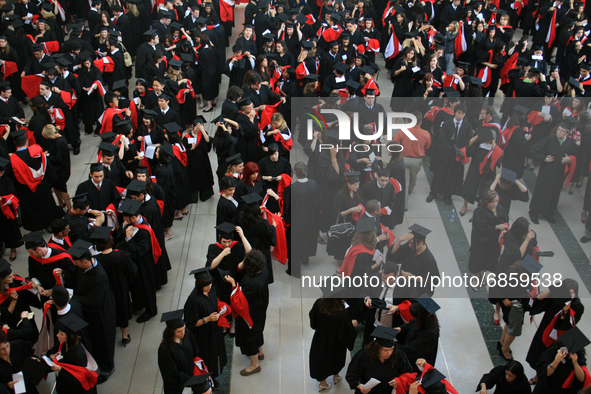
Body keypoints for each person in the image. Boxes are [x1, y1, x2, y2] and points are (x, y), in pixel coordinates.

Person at [59, 240, 116, 384]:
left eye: (77, 263)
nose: (75, 265)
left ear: (85, 261)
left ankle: (107, 368)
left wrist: (71, 295)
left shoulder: (98, 277)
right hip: (91, 312)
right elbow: (76, 276)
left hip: (100, 314)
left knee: (103, 341)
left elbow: (92, 302)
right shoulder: (85, 267)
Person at [526, 279, 584, 384]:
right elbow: (539, 299)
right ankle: (538, 374)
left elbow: (568, 323)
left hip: (562, 336)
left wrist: (567, 307)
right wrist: (551, 289)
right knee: (539, 352)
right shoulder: (557, 298)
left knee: (555, 357)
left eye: (571, 293)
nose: (568, 295)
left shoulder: (578, 306)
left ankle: (545, 376)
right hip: (546, 330)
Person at [224, 250, 270, 376]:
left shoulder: (251, 283)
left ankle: (255, 364)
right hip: (260, 308)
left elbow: (240, 300)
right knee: (257, 329)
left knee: (248, 336)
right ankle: (260, 352)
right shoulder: (264, 270)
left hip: (249, 313)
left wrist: (233, 284)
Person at [90, 227, 137, 346]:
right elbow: (132, 270)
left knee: (110, 310)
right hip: (121, 287)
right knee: (123, 309)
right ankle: (124, 335)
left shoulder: (96, 261)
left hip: (106, 290)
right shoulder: (121, 255)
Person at [8, 130, 63, 231]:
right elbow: (49, 170)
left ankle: (36, 228)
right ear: (26, 142)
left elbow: (12, 179)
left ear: (15, 143)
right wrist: (51, 181)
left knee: (31, 208)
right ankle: (49, 224)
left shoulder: (13, 160)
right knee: (46, 204)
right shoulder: (37, 153)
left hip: (26, 191)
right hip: (42, 186)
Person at [115, 199, 159, 323]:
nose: (124, 220)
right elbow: (119, 239)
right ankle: (138, 304)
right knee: (136, 286)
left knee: (146, 287)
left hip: (144, 264)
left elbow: (140, 252)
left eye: (126, 218)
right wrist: (123, 229)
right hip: (133, 263)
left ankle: (151, 310)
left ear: (133, 218)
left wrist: (129, 239)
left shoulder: (145, 231)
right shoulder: (129, 224)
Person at [183, 267, 229, 385]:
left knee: (217, 353)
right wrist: (207, 319)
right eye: (206, 285)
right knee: (207, 357)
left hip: (215, 330)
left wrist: (220, 309)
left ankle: (213, 376)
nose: (209, 287)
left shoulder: (212, 289)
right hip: (203, 335)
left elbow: (215, 303)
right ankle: (207, 379)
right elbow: (190, 323)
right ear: (199, 285)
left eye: (210, 283)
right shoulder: (193, 300)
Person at [309, 285, 358, 392]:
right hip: (337, 343)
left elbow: (313, 322)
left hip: (320, 339)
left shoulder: (319, 304)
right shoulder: (342, 312)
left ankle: (323, 384)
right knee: (336, 358)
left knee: (321, 359)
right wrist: (353, 325)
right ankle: (336, 376)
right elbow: (346, 331)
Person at [529, 122, 579, 224]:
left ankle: (548, 213)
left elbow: (576, 155)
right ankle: (534, 212)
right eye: (559, 129)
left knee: (554, 193)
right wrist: (543, 158)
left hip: (559, 173)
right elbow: (533, 150)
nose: (559, 132)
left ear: (567, 133)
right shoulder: (549, 140)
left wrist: (569, 159)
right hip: (546, 171)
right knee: (541, 191)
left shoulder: (570, 143)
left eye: (562, 131)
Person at [158, 310, 213, 394]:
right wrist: (190, 380)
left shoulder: (187, 334)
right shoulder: (165, 349)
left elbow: (195, 350)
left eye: (184, 329)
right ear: (171, 332)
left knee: (207, 389)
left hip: (192, 372)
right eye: (179, 331)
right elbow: (171, 372)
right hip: (178, 381)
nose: (183, 333)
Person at [345, 326, 413, 394]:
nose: (389, 353)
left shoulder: (399, 355)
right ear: (377, 348)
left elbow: (409, 373)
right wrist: (360, 386)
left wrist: (400, 381)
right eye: (385, 350)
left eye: (392, 349)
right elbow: (352, 374)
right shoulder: (364, 355)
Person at [427, 104, 472, 206]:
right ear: (455, 113)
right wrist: (450, 148)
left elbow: (468, 140)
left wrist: (461, 150)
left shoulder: (467, 126)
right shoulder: (447, 124)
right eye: (459, 113)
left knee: (452, 175)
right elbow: (441, 138)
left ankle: (448, 195)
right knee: (440, 173)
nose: (461, 115)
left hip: (457, 154)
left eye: (463, 113)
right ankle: (433, 192)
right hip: (446, 152)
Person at [45, 313, 99, 394]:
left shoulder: (78, 355)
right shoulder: (63, 343)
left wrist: (61, 370)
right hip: (64, 383)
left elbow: (79, 379)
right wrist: (52, 356)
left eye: (61, 334)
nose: (57, 335)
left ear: (70, 336)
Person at [468, 190, 508, 291]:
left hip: (494, 240)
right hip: (481, 239)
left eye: (497, 201)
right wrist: (496, 227)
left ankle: (484, 273)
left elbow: (505, 220)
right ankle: (475, 277)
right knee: (478, 258)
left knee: (489, 257)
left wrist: (504, 228)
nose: (496, 204)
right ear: (486, 202)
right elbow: (481, 229)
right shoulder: (479, 212)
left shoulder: (500, 209)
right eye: (493, 201)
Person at [287, 162, 321, 277]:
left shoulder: (293, 188)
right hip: (312, 218)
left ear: (295, 173)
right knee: (308, 237)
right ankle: (305, 257)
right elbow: (318, 201)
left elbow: (288, 206)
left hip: (298, 219)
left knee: (296, 241)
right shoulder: (314, 184)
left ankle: (296, 267)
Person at [387, 224, 439, 297]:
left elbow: (434, 281)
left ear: (421, 243)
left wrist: (412, 277)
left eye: (412, 243)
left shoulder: (429, 260)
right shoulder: (410, 248)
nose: (409, 245)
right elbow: (393, 254)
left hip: (417, 291)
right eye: (409, 242)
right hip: (403, 286)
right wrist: (400, 240)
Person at [393, 111, 431, 209]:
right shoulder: (426, 134)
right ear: (421, 122)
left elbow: (395, 143)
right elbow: (428, 146)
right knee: (413, 178)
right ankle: (410, 188)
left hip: (404, 159)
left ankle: (404, 205)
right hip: (417, 161)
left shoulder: (403, 131)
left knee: (405, 181)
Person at [239, 193, 277, 284]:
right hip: (261, 249)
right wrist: (274, 226)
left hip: (248, 247)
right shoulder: (262, 223)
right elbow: (270, 237)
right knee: (262, 266)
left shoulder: (241, 217)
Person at [395, 298, 440, 370]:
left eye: (416, 317)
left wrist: (392, 345)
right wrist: (400, 329)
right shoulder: (425, 321)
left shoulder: (429, 335)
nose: (414, 319)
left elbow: (410, 350)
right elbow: (411, 324)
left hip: (416, 364)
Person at [184, 115, 215, 203]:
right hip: (192, 162)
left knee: (204, 177)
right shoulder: (186, 137)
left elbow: (208, 142)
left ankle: (205, 195)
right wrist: (191, 149)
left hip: (203, 160)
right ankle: (193, 197)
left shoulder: (203, 134)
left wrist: (202, 131)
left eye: (199, 127)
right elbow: (183, 151)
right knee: (194, 179)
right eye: (196, 127)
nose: (197, 129)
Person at [0, 157, 21, 262]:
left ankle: (13, 249)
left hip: (7, 209)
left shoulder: (7, 180)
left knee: (11, 230)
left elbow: (11, 194)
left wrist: (3, 200)